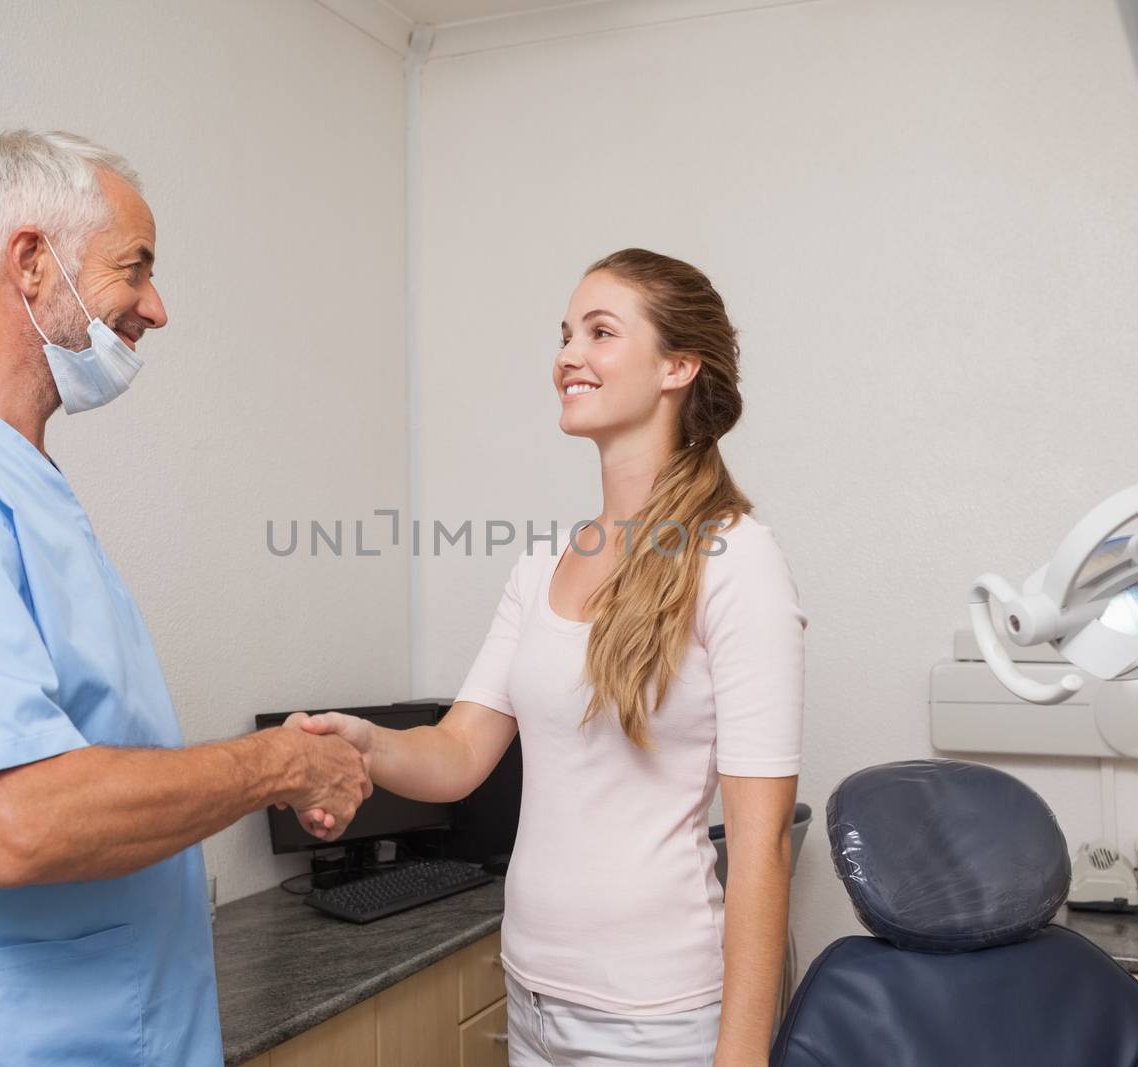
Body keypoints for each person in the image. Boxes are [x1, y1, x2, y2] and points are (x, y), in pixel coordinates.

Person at [0, 130, 370, 1067]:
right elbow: (21, 821)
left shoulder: (12, 479)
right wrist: (276, 767)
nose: (157, 307)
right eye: (133, 268)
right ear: (30, 262)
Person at [290, 248, 806, 1065]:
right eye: (565, 333)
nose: (568, 354)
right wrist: (364, 741)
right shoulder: (539, 566)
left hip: (655, 1017)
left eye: (601, 332)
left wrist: (740, 1056)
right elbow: (458, 753)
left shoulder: (735, 558)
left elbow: (762, 838)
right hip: (530, 998)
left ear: (678, 364)